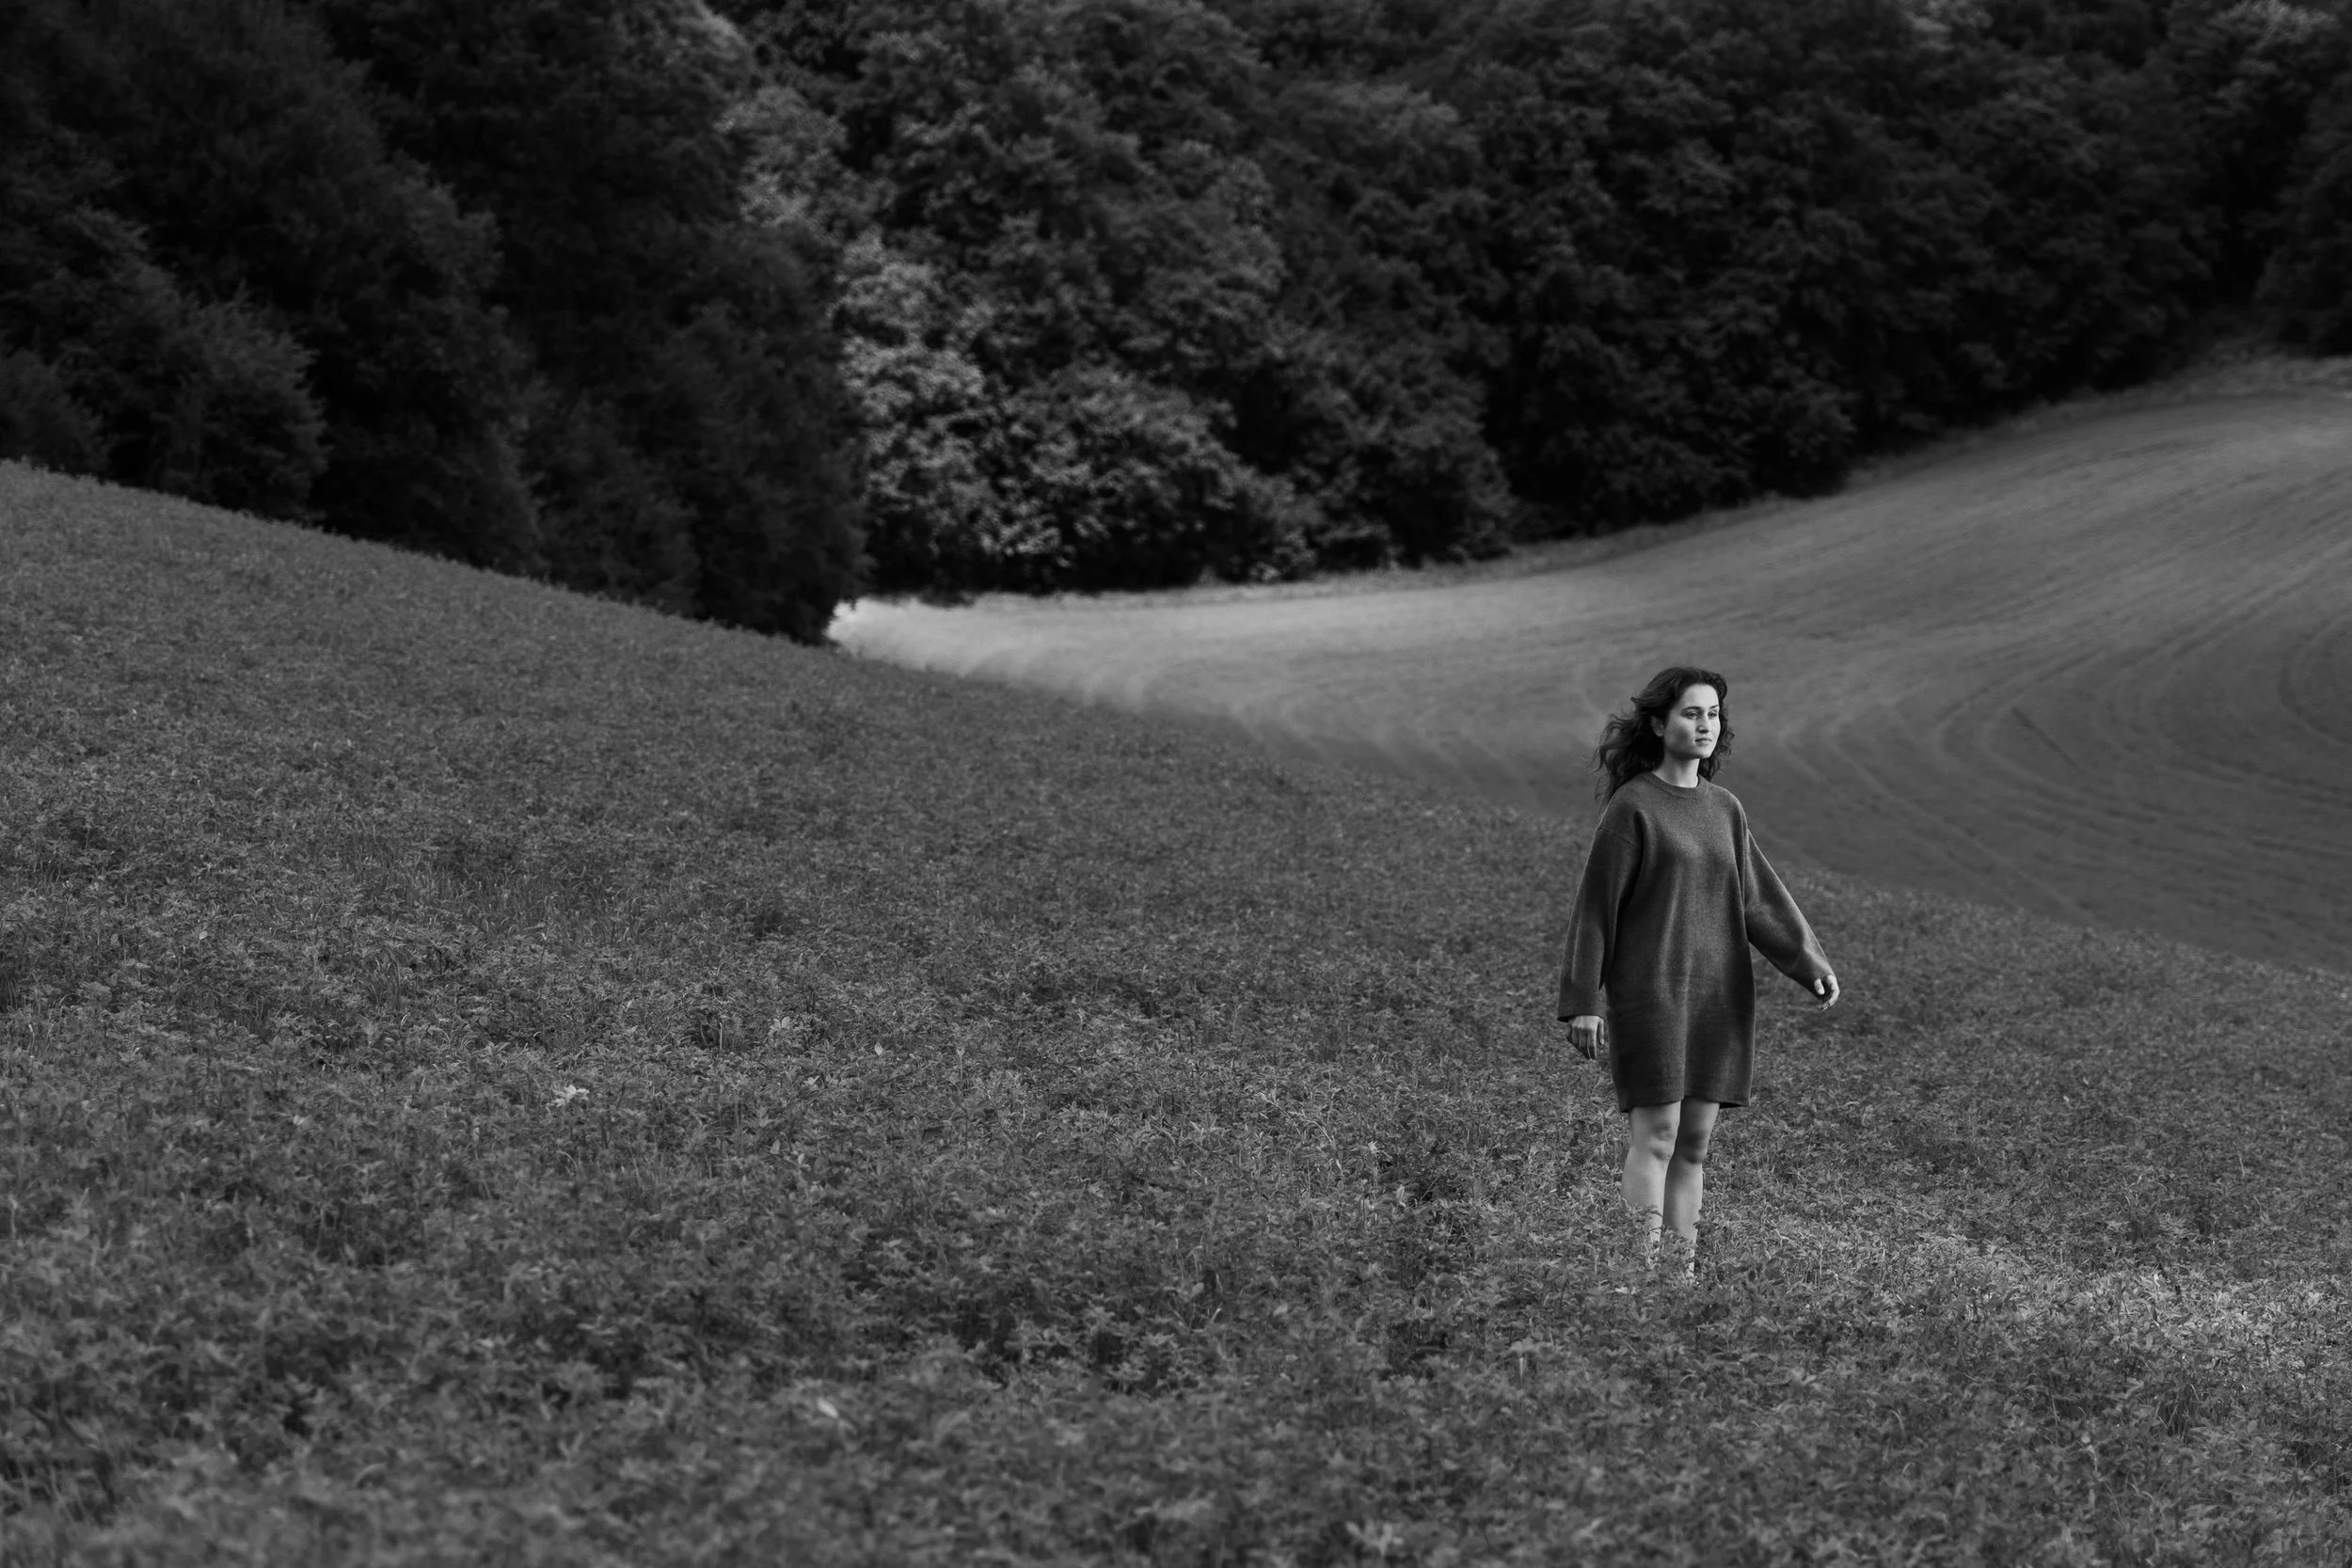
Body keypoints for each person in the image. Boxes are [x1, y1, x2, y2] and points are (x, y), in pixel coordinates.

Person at [1556, 666, 1839, 1277]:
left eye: (1713, 714)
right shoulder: (1634, 806)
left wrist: (1807, 962)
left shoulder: (1725, 810)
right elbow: (1595, 907)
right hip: (1652, 994)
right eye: (1691, 713)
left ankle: (1678, 1288)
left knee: (1694, 1146)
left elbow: (1757, 897)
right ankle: (1634, 1283)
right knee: (1656, 1137)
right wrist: (1583, 999)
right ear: (1659, 724)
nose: (1705, 724)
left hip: (1718, 998)